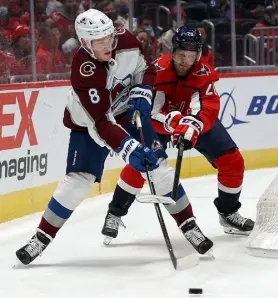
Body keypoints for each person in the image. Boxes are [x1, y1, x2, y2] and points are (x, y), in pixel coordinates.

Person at [15, 10, 212, 266]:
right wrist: (129, 148)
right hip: (90, 124)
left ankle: (189, 226)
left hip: (125, 114)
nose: (108, 44)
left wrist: (144, 88)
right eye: (99, 41)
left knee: (159, 168)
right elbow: (101, 123)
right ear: (85, 44)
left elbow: (146, 69)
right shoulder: (84, 71)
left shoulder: (126, 40)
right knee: (77, 183)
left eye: (109, 37)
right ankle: (41, 238)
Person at [102, 26, 254, 248]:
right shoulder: (156, 71)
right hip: (162, 123)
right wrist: (172, 123)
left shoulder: (204, 74)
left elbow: (208, 108)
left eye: (190, 56)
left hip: (193, 123)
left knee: (232, 160)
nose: (185, 61)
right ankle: (115, 213)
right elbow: (150, 112)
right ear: (173, 52)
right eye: (181, 55)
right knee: (141, 163)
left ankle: (228, 212)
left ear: (197, 56)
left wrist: (192, 126)